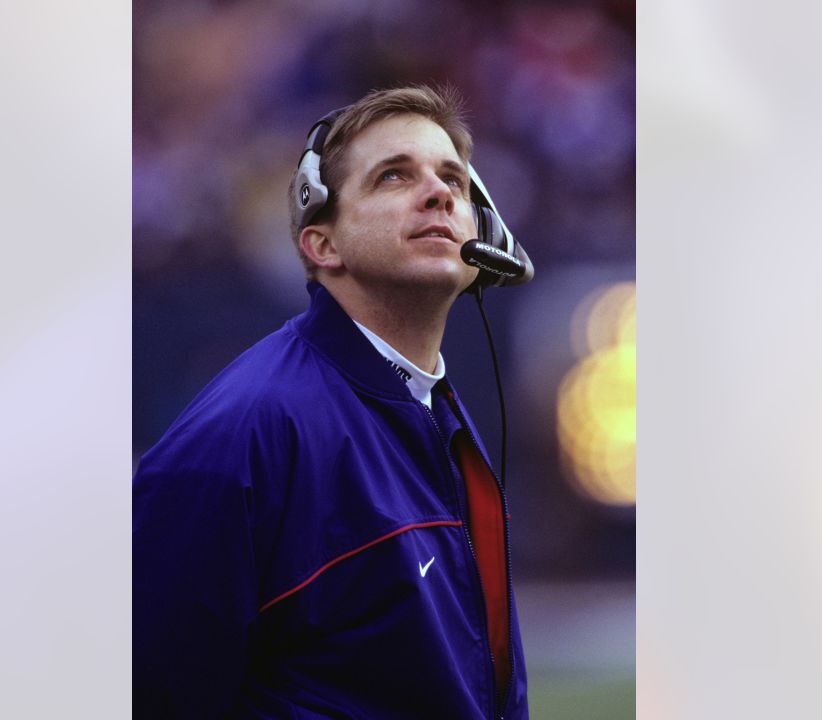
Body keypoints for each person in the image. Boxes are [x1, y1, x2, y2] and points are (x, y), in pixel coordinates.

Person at [133, 85, 529, 718]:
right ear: (323, 244)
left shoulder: (435, 409)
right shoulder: (242, 434)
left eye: (452, 177)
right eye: (393, 177)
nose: (440, 193)